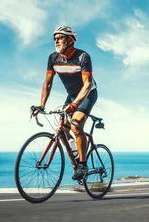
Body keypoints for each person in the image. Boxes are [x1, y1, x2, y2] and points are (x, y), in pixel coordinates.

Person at [31, 26, 98, 180]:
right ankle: (76, 151)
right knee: (63, 129)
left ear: (70, 40)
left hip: (88, 93)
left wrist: (75, 105)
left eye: (60, 37)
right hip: (71, 95)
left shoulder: (83, 57)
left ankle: (83, 164)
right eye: (55, 38)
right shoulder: (53, 58)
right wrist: (41, 105)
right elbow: (47, 83)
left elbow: (87, 84)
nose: (56, 41)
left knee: (76, 124)